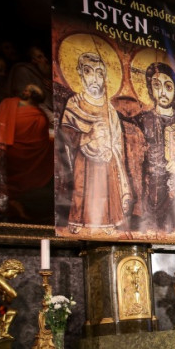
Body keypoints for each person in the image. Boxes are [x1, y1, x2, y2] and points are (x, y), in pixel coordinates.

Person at [58, 52, 132, 237]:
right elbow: (65, 131)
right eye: (88, 71)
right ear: (80, 73)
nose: (95, 78)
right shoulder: (74, 103)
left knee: (106, 189)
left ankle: (108, 221)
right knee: (82, 188)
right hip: (84, 158)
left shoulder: (109, 108)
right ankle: (77, 221)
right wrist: (88, 135)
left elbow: (117, 137)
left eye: (99, 73)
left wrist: (110, 150)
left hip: (106, 158)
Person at [127, 62, 175, 235]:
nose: (163, 92)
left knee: (172, 219)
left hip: (174, 182)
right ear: (150, 89)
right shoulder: (143, 119)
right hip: (149, 180)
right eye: (157, 86)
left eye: (168, 87)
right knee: (148, 218)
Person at [0, 83, 54, 224]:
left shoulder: (8, 104)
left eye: (27, 90)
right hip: (23, 158)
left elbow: (0, 130)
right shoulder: (40, 117)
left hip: (5, 150)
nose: (24, 91)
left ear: (29, 94)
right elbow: (39, 144)